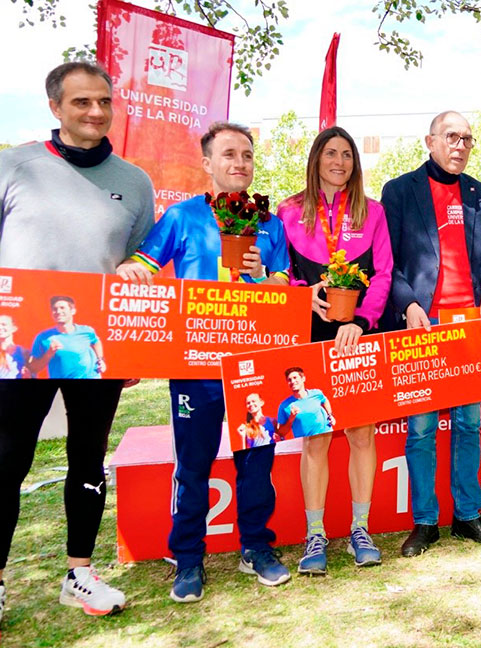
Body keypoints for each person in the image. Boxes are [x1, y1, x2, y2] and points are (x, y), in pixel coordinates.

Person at [0, 61, 154, 648]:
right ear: (55, 108)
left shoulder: (135, 182)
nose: (96, 112)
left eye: (104, 101)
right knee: (6, 463)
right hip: (20, 346)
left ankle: (80, 574)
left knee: (89, 461)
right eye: (82, 102)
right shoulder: (14, 165)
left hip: (96, 348)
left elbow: (143, 267)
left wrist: (133, 338)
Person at [117, 121, 292, 602]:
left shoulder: (269, 223)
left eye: (248, 155)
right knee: (193, 466)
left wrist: (263, 276)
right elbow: (144, 264)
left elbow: (285, 291)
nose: (240, 163)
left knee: (257, 464)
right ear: (208, 163)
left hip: (254, 367)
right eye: (230, 154)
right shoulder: (181, 217)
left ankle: (256, 547)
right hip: (196, 369)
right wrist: (131, 268)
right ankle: (188, 558)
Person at [380, 110, 481, 556]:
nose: (460, 146)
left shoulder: (478, 193)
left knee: (470, 425)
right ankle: (425, 522)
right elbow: (386, 261)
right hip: (421, 328)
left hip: (469, 327)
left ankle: (468, 516)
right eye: (452, 137)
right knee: (421, 430)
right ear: (430, 141)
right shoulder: (398, 191)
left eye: (468, 139)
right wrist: (408, 303)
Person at [276, 126, 393, 575]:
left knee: (362, 433)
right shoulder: (289, 212)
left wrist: (361, 321)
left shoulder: (374, 212)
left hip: (360, 338)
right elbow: (280, 273)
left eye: (347, 154)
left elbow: (383, 273)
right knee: (317, 436)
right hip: (309, 337)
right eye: (331, 153)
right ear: (316, 159)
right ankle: (315, 535)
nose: (339, 161)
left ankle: (360, 529)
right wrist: (306, 296)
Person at [26, 296, 105, 379]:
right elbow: (33, 368)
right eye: (55, 309)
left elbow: (96, 342)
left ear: (73, 311)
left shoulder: (87, 331)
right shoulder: (43, 338)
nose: (58, 311)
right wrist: (49, 354)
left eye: (62, 308)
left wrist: (100, 359)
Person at [276, 367, 335, 439]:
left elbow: (325, 401)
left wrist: (330, 414)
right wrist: (291, 418)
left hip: (327, 434)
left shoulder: (316, 393)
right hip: (307, 443)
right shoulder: (284, 406)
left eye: (295, 378)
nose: (292, 381)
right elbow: (281, 433)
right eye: (289, 380)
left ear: (303, 379)